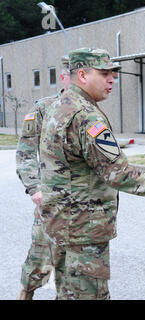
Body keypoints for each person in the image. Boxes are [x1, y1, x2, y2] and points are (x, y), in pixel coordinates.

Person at [38, 47, 145, 300]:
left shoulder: (59, 106)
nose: (112, 79)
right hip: (83, 230)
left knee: (68, 294)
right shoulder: (86, 116)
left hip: (61, 225)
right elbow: (119, 174)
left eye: (114, 73)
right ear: (82, 75)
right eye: (104, 73)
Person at [16, 56, 71, 300]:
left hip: (84, 207)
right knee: (40, 260)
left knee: (76, 272)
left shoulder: (92, 111)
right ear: (64, 77)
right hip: (51, 202)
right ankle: (26, 293)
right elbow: (25, 151)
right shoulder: (44, 107)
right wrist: (34, 187)